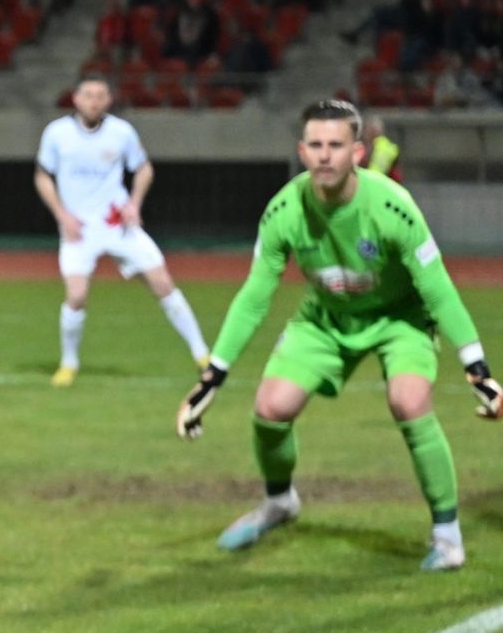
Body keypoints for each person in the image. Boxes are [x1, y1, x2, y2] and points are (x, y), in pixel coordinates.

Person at [178, 98, 496, 571]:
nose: (325, 155)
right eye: (315, 145)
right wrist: (212, 376)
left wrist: (477, 368)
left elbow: (438, 289)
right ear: (301, 151)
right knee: (270, 408)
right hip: (326, 318)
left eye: (336, 145)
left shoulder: (392, 207)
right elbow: (254, 296)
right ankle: (280, 503)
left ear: (358, 152)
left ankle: (447, 536)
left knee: (409, 401)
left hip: (398, 318)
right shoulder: (284, 210)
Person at [34, 75, 209, 386]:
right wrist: (62, 215)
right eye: (88, 95)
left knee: (163, 283)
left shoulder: (121, 132)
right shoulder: (57, 133)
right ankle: (69, 363)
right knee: (76, 296)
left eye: (100, 95)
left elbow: (143, 168)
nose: (94, 101)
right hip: (79, 229)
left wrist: (134, 203)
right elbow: (42, 175)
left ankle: (202, 355)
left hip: (117, 224)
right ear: (75, 99)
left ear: (109, 100)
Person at [356, 114, 401, 178]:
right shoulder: (359, 146)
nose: (366, 133)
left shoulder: (387, 148)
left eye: (371, 131)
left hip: (380, 181)